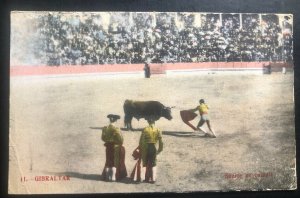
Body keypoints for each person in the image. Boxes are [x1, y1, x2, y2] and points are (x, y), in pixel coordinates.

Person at [101, 114, 127, 181]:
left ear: (110, 120)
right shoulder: (116, 128)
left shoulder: (105, 128)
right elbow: (121, 139)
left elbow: (103, 138)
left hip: (108, 146)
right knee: (114, 162)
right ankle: (113, 177)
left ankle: (107, 177)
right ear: (116, 120)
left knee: (108, 161)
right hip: (115, 146)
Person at [139, 118, 163, 183]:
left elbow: (141, 141)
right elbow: (161, 141)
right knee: (154, 163)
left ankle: (145, 178)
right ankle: (153, 179)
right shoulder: (158, 129)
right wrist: (160, 149)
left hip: (146, 147)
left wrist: (141, 148)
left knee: (145, 162)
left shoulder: (145, 129)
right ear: (154, 122)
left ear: (148, 122)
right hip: (154, 147)